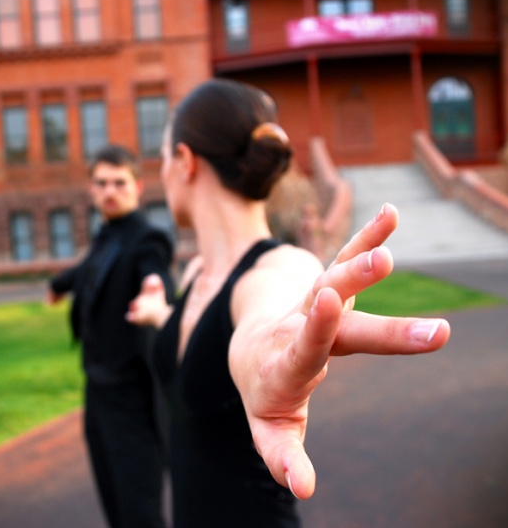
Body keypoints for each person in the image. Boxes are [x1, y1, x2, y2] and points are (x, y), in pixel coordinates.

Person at [126, 79, 451, 528]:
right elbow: (205, 347)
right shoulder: (197, 271)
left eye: (163, 157)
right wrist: (161, 317)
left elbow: (263, 319)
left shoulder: (276, 268)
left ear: (184, 162)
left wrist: (274, 348)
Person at [47, 144, 174, 528]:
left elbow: (153, 268)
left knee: (139, 515)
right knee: (114, 509)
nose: (110, 191)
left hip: (132, 398)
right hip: (97, 392)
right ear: (91, 189)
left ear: (139, 186)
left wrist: (155, 286)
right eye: (101, 183)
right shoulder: (106, 235)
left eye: (119, 183)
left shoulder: (147, 237)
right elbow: (89, 268)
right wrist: (58, 284)